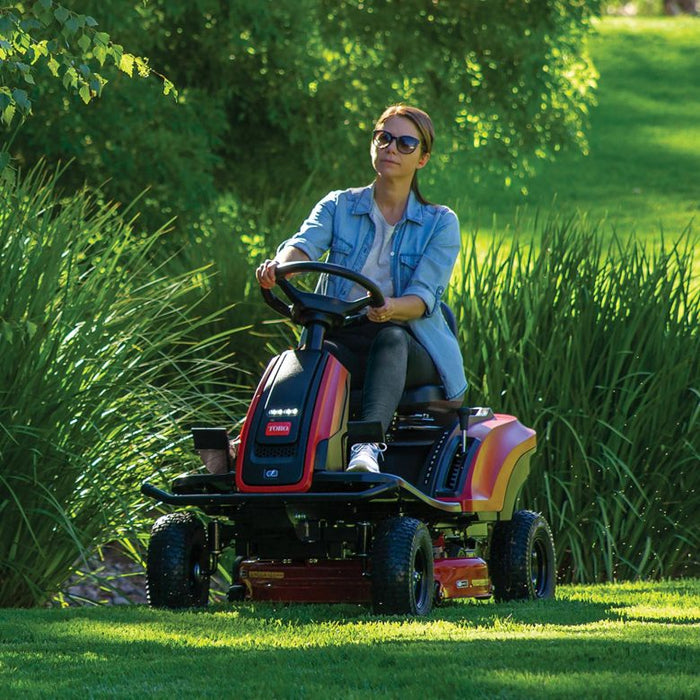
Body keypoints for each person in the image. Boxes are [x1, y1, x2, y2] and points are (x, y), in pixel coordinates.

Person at [256, 104, 467, 473]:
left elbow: (422, 300)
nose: (391, 148)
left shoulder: (440, 223)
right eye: (384, 138)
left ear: (422, 158)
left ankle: (366, 447)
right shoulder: (339, 205)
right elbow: (303, 245)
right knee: (305, 358)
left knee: (390, 338)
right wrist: (281, 267)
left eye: (405, 143)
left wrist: (389, 309)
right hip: (345, 332)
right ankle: (253, 448)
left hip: (411, 341)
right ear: (373, 143)